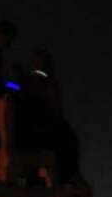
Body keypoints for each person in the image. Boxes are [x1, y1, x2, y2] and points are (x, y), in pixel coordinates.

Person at [17, 47, 81, 182]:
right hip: (33, 130)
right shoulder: (29, 84)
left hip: (40, 129)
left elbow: (55, 110)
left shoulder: (42, 85)